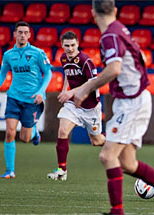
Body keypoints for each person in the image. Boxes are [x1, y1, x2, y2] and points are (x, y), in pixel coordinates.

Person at [58, 0, 154, 214]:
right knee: (128, 163)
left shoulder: (109, 35)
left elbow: (114, 69)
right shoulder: (120, 30)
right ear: (115, 11)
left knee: (107, 156)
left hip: (132, 102)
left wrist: (84, 89)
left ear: (92, 13)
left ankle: (117, 211)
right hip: (132, 99)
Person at [0, 21, 52, 179]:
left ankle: (33, 131)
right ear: (15, 34)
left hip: (32, 99)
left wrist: (40, 92)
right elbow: (3, 72)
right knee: (9, 133)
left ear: (30, 35)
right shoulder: (8, 55)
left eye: (25, 32)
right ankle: (10, 170)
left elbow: (49, 73)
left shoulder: (38, 53)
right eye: (20, 32)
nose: (22, 35)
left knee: (24, 138)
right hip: (14, 97)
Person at [47, 31, 105, 181]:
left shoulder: (86, 61)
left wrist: (71, 91)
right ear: (62, 45)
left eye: (73, 45)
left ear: (78, 44)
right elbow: (68, 74)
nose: (70, 48)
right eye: (67, 46)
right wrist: (64, 90)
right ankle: (62, 169)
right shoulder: (64, 58)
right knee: (62, 130)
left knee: (96, 141)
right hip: (73, 105)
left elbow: (93, 82)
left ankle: (116, 142)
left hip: (90, 107)